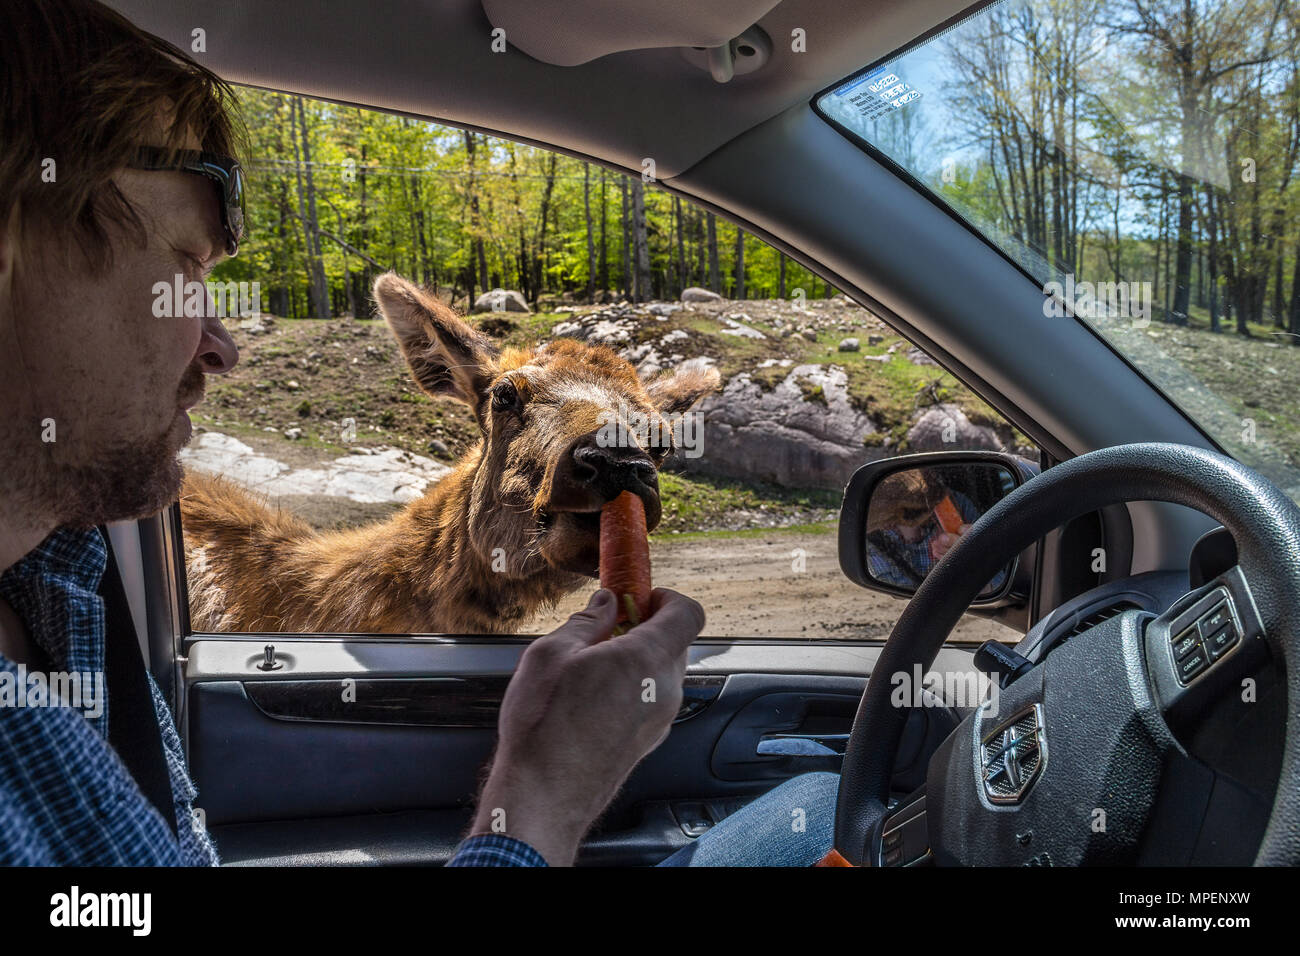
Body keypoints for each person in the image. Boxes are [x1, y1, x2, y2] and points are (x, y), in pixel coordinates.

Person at [0, 0, 838, 867]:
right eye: (181, 266)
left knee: (815, 801)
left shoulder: (67, 572)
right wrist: (541, 795)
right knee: (821, 806)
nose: (223, 345)